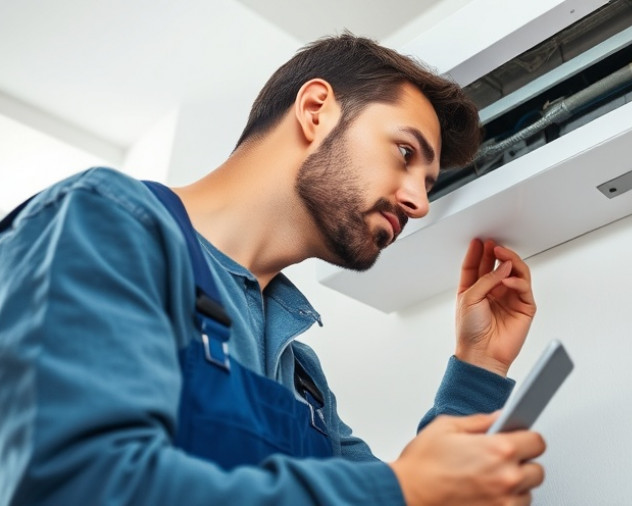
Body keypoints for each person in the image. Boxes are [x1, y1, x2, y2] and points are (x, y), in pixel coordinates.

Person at [0, 33, 546, 505]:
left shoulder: (302, 380)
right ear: (316, 111)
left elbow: (412, 497)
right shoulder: (106, 223)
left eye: (428, 185)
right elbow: (73, 487)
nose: (418, 202)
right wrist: (397, 492)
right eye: (406, 154)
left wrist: (478, 368)